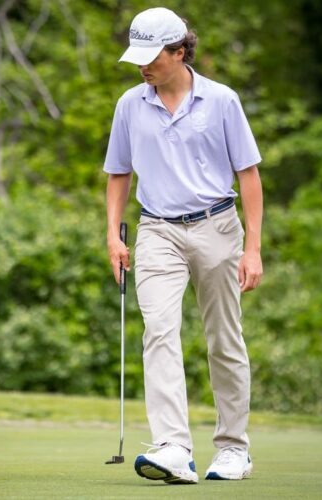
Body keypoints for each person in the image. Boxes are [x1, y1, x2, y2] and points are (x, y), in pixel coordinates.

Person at [103, 7, 263, 484]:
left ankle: (234, 449)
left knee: (223, 340)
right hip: (157, 231)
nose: (142, 66)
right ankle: (173, 446)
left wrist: (253, 247)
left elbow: (248, 176)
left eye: (152, 56)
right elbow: (118, 174)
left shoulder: (223, 100)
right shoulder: (130, 104)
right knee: (159, 332)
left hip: (217, 227)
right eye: (138, 57)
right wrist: (112, 234)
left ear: (179, 52)